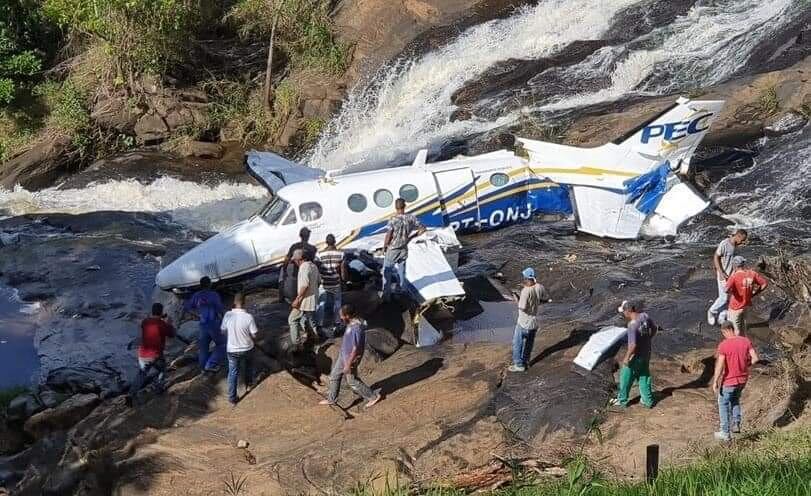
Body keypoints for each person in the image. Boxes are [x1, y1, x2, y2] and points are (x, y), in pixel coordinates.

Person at [319, 304, 381, 408]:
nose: (340, 317)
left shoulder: (356, 328)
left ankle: (373, 396)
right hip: (343, 355)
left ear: (347, 315)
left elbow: (355, 349)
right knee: (334, 375)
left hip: (350, 358)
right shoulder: (350, 323)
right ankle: (332, 399)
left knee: (352, 381)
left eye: (342, 315)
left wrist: (348, 364)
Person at [712, 321, 759, 441]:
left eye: (723, 333)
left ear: (725, 331)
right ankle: (736, 423)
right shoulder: (745, 341)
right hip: (743, 379)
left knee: (723, 403)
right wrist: (746, 365)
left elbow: (720, 364)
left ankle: (725, 432)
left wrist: (715, 380)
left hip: (729, 380)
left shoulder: (724, 345)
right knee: (735, 400)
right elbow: (755, 359)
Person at [610, 300, 658, 409]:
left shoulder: (632, 325)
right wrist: (648, 339)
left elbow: (632, 346)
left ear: (629, 310)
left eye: (624, 311)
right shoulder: (645, 316)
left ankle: (622, 400)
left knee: (625, 376)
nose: (623, 313)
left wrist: (626, 358)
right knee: (644, 376)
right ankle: (648, 401)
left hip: (636, 356)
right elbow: (654, 329)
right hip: (646, 353)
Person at [130, 303, 175, 403]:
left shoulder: (145, 322)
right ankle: (159, 388)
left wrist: (160, 318)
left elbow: (152, 325)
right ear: (161, 312)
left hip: (142, 354)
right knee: (162, 370)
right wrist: (169, 323)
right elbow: (172, 334)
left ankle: (132, 393)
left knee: (142, 374)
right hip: (155, 355)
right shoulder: (162, 324)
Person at [381, 198, 425, 300]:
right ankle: (402, 292)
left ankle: (386, 296)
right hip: (404, 248)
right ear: (404, 206)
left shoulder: (393, 220)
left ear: (396, 207)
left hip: (393, 249)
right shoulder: (411, 218)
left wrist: (384, 247)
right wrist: (411, 237)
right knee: (401, 271)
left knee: (386, 272)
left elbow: (389, 235)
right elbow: (423, 228)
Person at [508, 268, 551, 372]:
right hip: (534, 323)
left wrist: (516, 299)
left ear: (526, 278)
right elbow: (545, 299)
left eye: (524, 278)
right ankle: (526, 361)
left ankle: (519, 365)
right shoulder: (540, 287)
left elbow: (522, 307)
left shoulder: (525, 291)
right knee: (529, 343)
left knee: (517, 343)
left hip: (523, 322)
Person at [221, 292, 259, 406]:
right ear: (244, 302)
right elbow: (255, 335)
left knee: (233, 372)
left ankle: (232, 398)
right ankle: (249, 384)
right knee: (248, 365)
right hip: (247, 348)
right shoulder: (248, 317)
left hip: (232, 350)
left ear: (234, 302)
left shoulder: (228, 315)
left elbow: (223, 331)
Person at [183, 276, 225, 373]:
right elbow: (220, 309)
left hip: (202, 324)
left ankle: (202, 368)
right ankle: (210, 364)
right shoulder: (214, 295)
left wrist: (197, 315)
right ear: (209, 284)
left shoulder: (196, 295)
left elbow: (188, 307)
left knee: (203, 347)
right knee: (222, 344)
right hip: (213, 323)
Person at [708, 229, 748, 325]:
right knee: (723, 298)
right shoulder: (725, 243)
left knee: (730, 297)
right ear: (738, 236)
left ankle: (721, 316)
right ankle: (711, 312)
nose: (743, 242)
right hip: (723, 275)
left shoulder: (736, 245)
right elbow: (716, 257)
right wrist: (721, 272)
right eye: (742, 240)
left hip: (731, 275)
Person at [724, 256, 768, 336]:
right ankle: (744, 343)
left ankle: (736, 346)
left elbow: (726, 290)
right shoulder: (752, 273)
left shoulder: (734, 276)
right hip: (745, 305)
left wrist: (734, 291)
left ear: (734, 266)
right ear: (743, 264)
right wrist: (754, 293)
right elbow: (764, 284)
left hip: (735, 306)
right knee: (743, 327)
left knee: (734, 329)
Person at [288, 249, 320, 347]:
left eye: (294, 261)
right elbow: (318, 281)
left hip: (304, 300)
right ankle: (314, 338)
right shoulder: (313, 266)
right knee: (309, 320)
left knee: (292, 319)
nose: (294, 262)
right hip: (313, 297)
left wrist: (298, 299)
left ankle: (296, 344)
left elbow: (304, 285)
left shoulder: (303, 267)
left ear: (299, 259)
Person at [279, 227, 317, 303]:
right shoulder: (313, 248)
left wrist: (284, 269)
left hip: (296, 273)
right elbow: (313, 263)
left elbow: (287, 259)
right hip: (306, 272)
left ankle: (282, 298)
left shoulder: (294, 246)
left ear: (300, 235)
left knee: (295, 290)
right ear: (308, 236)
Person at [317, 234, 347, 328]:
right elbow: (343, 270)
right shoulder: (341, 254)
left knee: (321, 304)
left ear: (326, 242)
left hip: (324, 282)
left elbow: (318, 269)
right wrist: (344, 281)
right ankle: (337, 323)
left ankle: (319, 324)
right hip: (336, 282)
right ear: (335, 242)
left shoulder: (319, 254)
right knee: (337, 303)